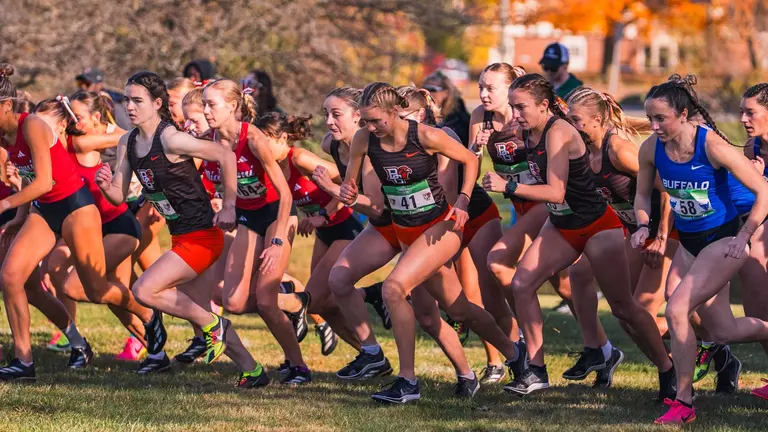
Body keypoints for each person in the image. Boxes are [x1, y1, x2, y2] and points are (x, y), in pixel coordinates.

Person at [483, 73, 674, 398]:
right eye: (512, 107)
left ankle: (668, 370)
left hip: (597, 226)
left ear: (543, 105)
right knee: (522, 284)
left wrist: (508, 186)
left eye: (520, 107)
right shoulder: (527, 131)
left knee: (624, 309)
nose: (514, 114)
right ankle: (537, 370)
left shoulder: (560, 132)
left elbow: (556, 192)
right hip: (562, 223)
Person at [340, 82, 525, 403]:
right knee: (453, 310)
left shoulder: (425, 136)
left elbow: (470, 160)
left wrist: (463, 200)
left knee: (393, 289)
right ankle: (513, 355)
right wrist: (347, 192)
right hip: (407, 233)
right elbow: (351, 185)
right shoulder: (364, 139)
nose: (370, 127)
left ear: (394, 111)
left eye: (376, 121)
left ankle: (407, 382)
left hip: (441, 230)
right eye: (365, 121)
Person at [97, 71, 269, 387]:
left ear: (157, 103)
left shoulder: (171, 139)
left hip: (203, 237)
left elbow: (225, 155)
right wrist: (106, 186)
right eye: (127, 100)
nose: (130, 107)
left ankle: (214, 325)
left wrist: (229, 205)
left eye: (138, 101)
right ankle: (253, 371)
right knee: (198, 312)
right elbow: (119, 196)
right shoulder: (127, 141)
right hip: (180, 236)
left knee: (144, 290)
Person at [637, 74, 768, 425]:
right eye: (650, 118)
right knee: (723, 331)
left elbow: (764, 191)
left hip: (724, 239)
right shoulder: (651, 148)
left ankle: (684, 402)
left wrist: (745, 234)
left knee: (677, 308)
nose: (654, 125)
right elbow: (642, 195)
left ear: (683, 114)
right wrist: (642, 225)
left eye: (660, 118)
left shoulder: (711, 146)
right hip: (691, 243)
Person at [399, 85, 518, 384]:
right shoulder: (393, 142)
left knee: (486, 297)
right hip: (436, 225)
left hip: (468, 217)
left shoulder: (441, 136)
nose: (396, 123)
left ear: (420, 115)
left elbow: (449, 195)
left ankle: (513, 359)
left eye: (403, 116)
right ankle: (483, 367)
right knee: (449, 307)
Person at [0, 63, 107, 380]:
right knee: (13, 279)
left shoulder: (31, 124)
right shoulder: (4, 135)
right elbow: (27, 177)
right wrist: (19, 217)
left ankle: (150, 324)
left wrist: (5, 204)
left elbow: (44, 181)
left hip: (74, 205)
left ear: (6, 105)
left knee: (96, 289)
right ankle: (26, 361)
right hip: (44, 210)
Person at [562, 87, 675, 388]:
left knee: (642, 314)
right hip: (635, 232)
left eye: (576, 120)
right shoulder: (583, 151)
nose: (571, 126)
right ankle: (599, 350)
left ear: (597, 120)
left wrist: (661, 237)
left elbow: (667, 189)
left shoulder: (619, 150)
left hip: (666, 230)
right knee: (622, 312)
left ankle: (707, 345)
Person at [198, 79, 308, 385]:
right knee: (232, 302)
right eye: (203, 104)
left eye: (211, 104)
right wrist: (225, 207)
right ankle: (293, 301)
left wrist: (277, 241)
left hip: (277, 214)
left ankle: (298, 366)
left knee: (265, 301)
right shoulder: (211, 141)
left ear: (232, 106)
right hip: (249, 217)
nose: (206, 111)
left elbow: (285, 194)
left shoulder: (254, 138)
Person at [475, 63, 574, 319]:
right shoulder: (481, 116)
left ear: (510, 88)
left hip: (544, 203)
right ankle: (598, 340)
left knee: (498, 262)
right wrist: (475, 148)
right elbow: (472, 169)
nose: (484, 94)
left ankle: (525, 331)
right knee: (564, 285)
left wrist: (508, 183)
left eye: (490, 88)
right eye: (480, 87)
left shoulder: (527, 117)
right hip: (520, 206)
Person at [262, 112, 364, 354]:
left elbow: (348, 180)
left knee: (314, 298)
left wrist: (324, 214)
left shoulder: (300, 158)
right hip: (324, 233)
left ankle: (372, 294)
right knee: (320, 305)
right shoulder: (273, 167)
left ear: (282, 138)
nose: (260, 147)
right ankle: (368, 354)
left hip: (345, 225)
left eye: (265, 140)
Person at [739, 82, 768, 401]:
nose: (744, 119)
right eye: (741, 112)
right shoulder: (753, 148)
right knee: (756, 298)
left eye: (751, 112)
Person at [421, 70, 471, 146]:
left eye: (432, 89)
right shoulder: (419, 114)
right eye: (425, 89)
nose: (427, 93)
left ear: (446, 93)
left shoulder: (461, 120)